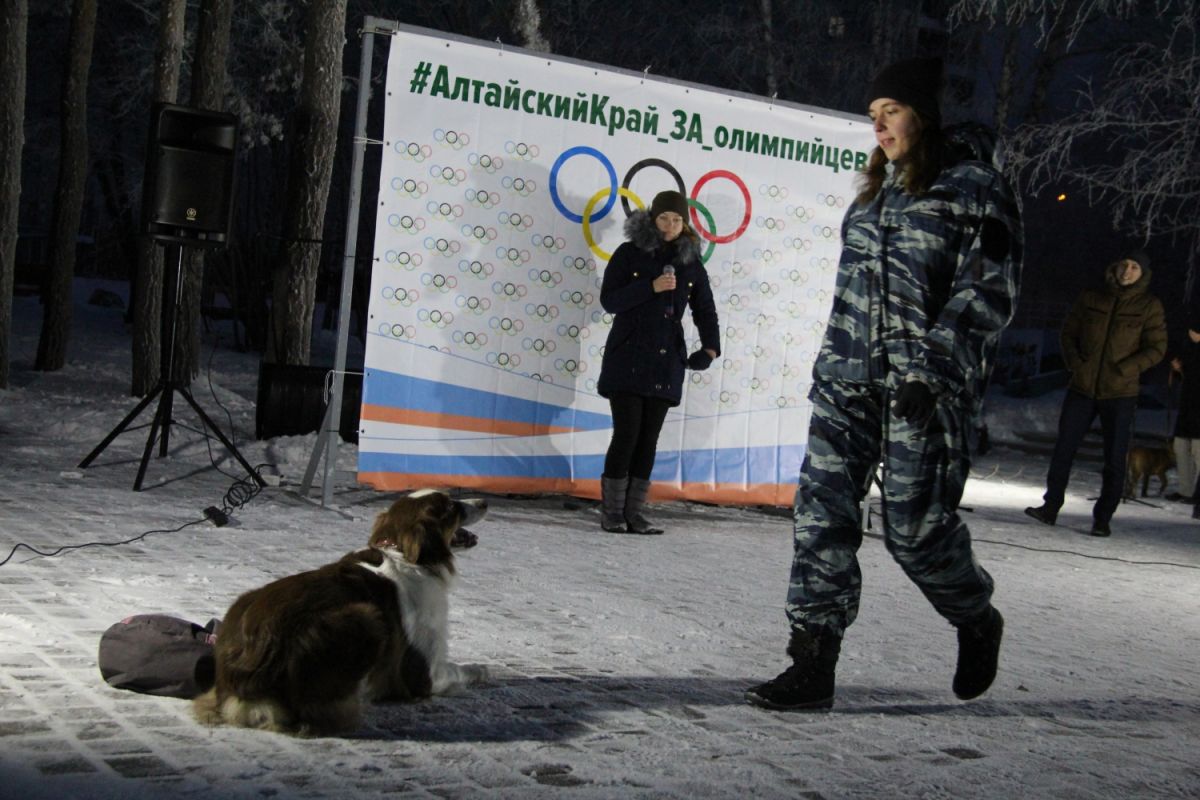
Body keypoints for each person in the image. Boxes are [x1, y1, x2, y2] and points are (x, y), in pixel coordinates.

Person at [744, 57, 1022, 712]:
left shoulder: (975, 188)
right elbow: (851, 293)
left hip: (923, 389)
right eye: (873, 115)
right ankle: (812, 662)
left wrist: (932, 369)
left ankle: (976, 616)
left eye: (890, 111)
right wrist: (829, 369)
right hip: (848, 381)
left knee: (913, 530)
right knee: (821, 515)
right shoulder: (873, 195)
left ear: (922, 114)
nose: (879, 126)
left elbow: (987, 290)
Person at [596, 190, 721, 535]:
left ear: (685, 224)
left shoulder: (691, 263)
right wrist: (650, 287)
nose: (670, 225)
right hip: (628, 355)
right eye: (664, 217)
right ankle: (612, 513)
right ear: (653, 218)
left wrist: (710, 348)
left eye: (677, 219)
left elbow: (705, 309)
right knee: (627, 434)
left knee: (648, 438)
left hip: (666, 360)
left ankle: (634, 513)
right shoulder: (629, 253)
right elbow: (610, 301)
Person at [1024, 253, 1166, 536]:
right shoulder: (1092, 297)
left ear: (1143, 273)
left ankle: (1102, 519)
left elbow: (1156, 348)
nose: (1127, 271)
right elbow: (1068, 332)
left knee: (1114, 458)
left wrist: (1126, 369)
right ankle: (1050, 507)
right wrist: (1076, 363)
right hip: (1082, 389)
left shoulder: (1149, 306)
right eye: (1124, 264)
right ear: (1115, 267)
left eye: (1134, 267)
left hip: (1120, 393)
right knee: (1064, 449)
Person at [1166, 322, 1200, 502]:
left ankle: (1197, 493)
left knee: (1198, 450)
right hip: (1187, 405)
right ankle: (1186, 490)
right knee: (1181, 447)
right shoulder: (1189, 347)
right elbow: (1187, 376)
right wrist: (1178, 369)